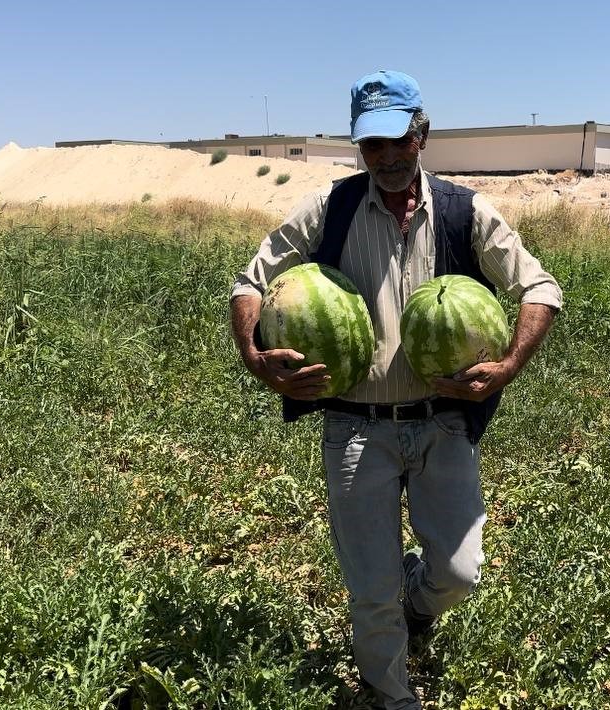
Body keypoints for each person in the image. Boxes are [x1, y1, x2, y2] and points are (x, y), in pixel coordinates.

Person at [229, 70, 562, 709]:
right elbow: (252, 280)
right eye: (370, 146)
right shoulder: (332, 207)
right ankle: (390, 693)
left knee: (459, 573)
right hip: (356, 426)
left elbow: (540, 289)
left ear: (422, 134)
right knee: (370, 586)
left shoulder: (466, 212)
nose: (383, 157)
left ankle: (419, 603)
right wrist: (255, 354)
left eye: (395, 141)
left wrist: (509, 365)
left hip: (443, 420)